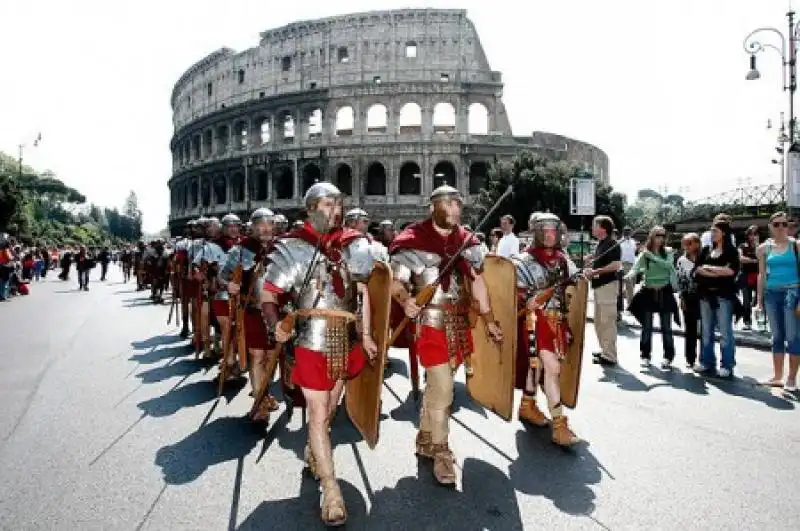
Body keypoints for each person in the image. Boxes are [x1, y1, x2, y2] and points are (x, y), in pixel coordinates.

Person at [260, 182, 379, 526]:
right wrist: (276, 325)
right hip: (311, 339)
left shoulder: (354, 245)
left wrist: (368, 335)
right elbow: (268, 296)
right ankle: (331, 490)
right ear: (311, 207)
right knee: (317, 409)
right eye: (328, 204)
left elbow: (365, 295)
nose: (335, 210)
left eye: (338, 204)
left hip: (345, 338)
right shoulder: (293, 247)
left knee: (329, 410)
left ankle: (316, 449)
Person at [389, 184, 503, 485]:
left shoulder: (467, 241)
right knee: (443, 389)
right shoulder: (413, 241)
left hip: (459, 323)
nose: (454, 211)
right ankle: (442, 451)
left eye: (457, 206)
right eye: (447, 205)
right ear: (433, 208)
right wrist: (406, 300)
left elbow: (477, 283)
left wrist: (489, 319)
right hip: (429, 323)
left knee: (441, 385)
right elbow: (394, 281)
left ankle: (426, 436)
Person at [512, 212, 582, 446]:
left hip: (558, 320)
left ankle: (526, 404)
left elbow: (576, 287)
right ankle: (560, 425)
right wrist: (527, 302)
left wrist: (584, 275)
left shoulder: (563, 260)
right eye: (546, 231)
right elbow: (513, 296)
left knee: (540, 366)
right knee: (551, 367)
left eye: (554, 230)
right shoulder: (522, 262)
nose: (551, 235)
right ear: (537, 233)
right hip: (535, 320)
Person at [222, 208, 277, 419]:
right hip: (252, 310)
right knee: (257, 355)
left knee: (272, 357)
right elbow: (222, 275)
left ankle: (264, 391)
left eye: (269, 224)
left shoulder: (279, 249)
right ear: (252, 227)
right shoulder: (240, 251)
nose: (265, 229)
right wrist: (229, 285)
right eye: (260, 225)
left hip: (275, 312)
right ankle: (259, 402)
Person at [757, 211, 800, 390]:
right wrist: (759, 301)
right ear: (770, 227)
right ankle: (777, 376)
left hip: (792, 292)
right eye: (777, 224)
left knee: (793, 336)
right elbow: (762, 275)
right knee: (777, 337)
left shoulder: (796, 245)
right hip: (771, 294)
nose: (781, 228)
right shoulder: (764, 249)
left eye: (784, 224)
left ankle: (791, 378)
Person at [626, 226, 680, 368]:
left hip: (664, 292)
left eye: (663, 235)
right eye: (657, 235)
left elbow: (667, 265)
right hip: (649, 292)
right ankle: (645, 355)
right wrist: (629, 275)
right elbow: (636, 268)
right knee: (647, 327)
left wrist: (651, 256)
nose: (660, 238)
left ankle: (668, 356)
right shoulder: (645, 254)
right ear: (652, 236)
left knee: (666, 328)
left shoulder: (667, 252)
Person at [694, 217, 740, 378]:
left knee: (725, 332)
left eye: (715, 231)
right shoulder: (706, 250)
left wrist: (709, 268)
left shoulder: (731, 252)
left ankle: (727, 364)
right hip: (706, 295)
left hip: (724, 296)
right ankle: (706, 362)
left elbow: (731, 272)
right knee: (706, 331)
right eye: (711, 230)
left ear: (724, 233)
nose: (712, 233)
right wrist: (716, 271)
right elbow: (698, 269)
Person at [586, 215, 621, 366]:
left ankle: (610, 355)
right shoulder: (602, 243)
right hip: (599, 286)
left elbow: (616, 265)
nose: (592, 228)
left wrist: (594, 272)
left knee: (607, 322)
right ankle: (604, 350)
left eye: (594, 225)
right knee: (599, 322)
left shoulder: (612, 243)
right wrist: (591, 261)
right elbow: (603, 262)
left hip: (607, 286)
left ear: (602, 228)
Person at [676, 233, 702, 368]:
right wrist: (681, 298)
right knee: (690, 330)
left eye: (690, 243)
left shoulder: (704, 257)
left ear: (697, 243)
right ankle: (690, 358)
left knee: (705, 330)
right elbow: (680, 281)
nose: (687, 247)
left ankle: (705, 359)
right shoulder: (681, 260)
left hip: (704, 297)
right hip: (689, 297)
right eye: (685, 244)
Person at [738, 225, 759, 330]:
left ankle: (763, 322)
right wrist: (754, 261)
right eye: (751, 234)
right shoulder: (742, 246)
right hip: (746, 275)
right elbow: (741, 258)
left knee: (761, 299)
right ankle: (747, 321)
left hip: (758, 275)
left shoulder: (760, 246)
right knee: (746, 300)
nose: (753, 236)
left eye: (755, 234)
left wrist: (756, 246)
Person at [618, 226, 638, 308]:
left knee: (632, 285)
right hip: (623, 264)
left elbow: (634, 252)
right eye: (626, 232)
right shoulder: (620, 242)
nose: (628, 233)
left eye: (629, 232)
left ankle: (629, 303)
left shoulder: (633, 242)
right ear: (623, 233)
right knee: (628, 285)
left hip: (633, 265)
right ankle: (630, 305)